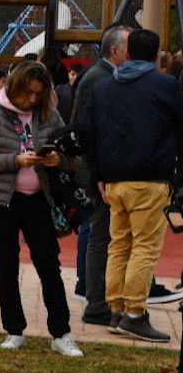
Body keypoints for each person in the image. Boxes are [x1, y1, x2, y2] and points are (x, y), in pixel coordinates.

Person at [81, 28, 183, 342]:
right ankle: (135, 313)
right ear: (156, 55)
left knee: (119, 245)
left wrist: (98, 175)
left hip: (114, 182)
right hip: (150, 179)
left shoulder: (104, 86)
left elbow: (89, 132)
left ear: (127, 53)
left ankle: (115, 309)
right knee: (144, 249)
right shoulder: (166, 86)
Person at [0, 61, 83, 356]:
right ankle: (14, 330)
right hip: (1, 201)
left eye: (38, 94)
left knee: (48, 264)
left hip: (39, 200)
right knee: (6, 265)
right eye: (28, 93)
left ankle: (61, 332)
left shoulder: (49, 114)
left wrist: (58, 161)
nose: (32, 100)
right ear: (15, 87)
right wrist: (15, 160)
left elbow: (74, 157)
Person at [69, 23, 130, 327]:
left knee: (102, 235)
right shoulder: (99, 79)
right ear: (115, 51)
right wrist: (96, 173)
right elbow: (86, 129)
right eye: (129, 49)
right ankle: (95, 300)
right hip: (96, 171)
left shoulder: (104, 76)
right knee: (99, 234)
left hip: (100, 168)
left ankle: (99, 297)